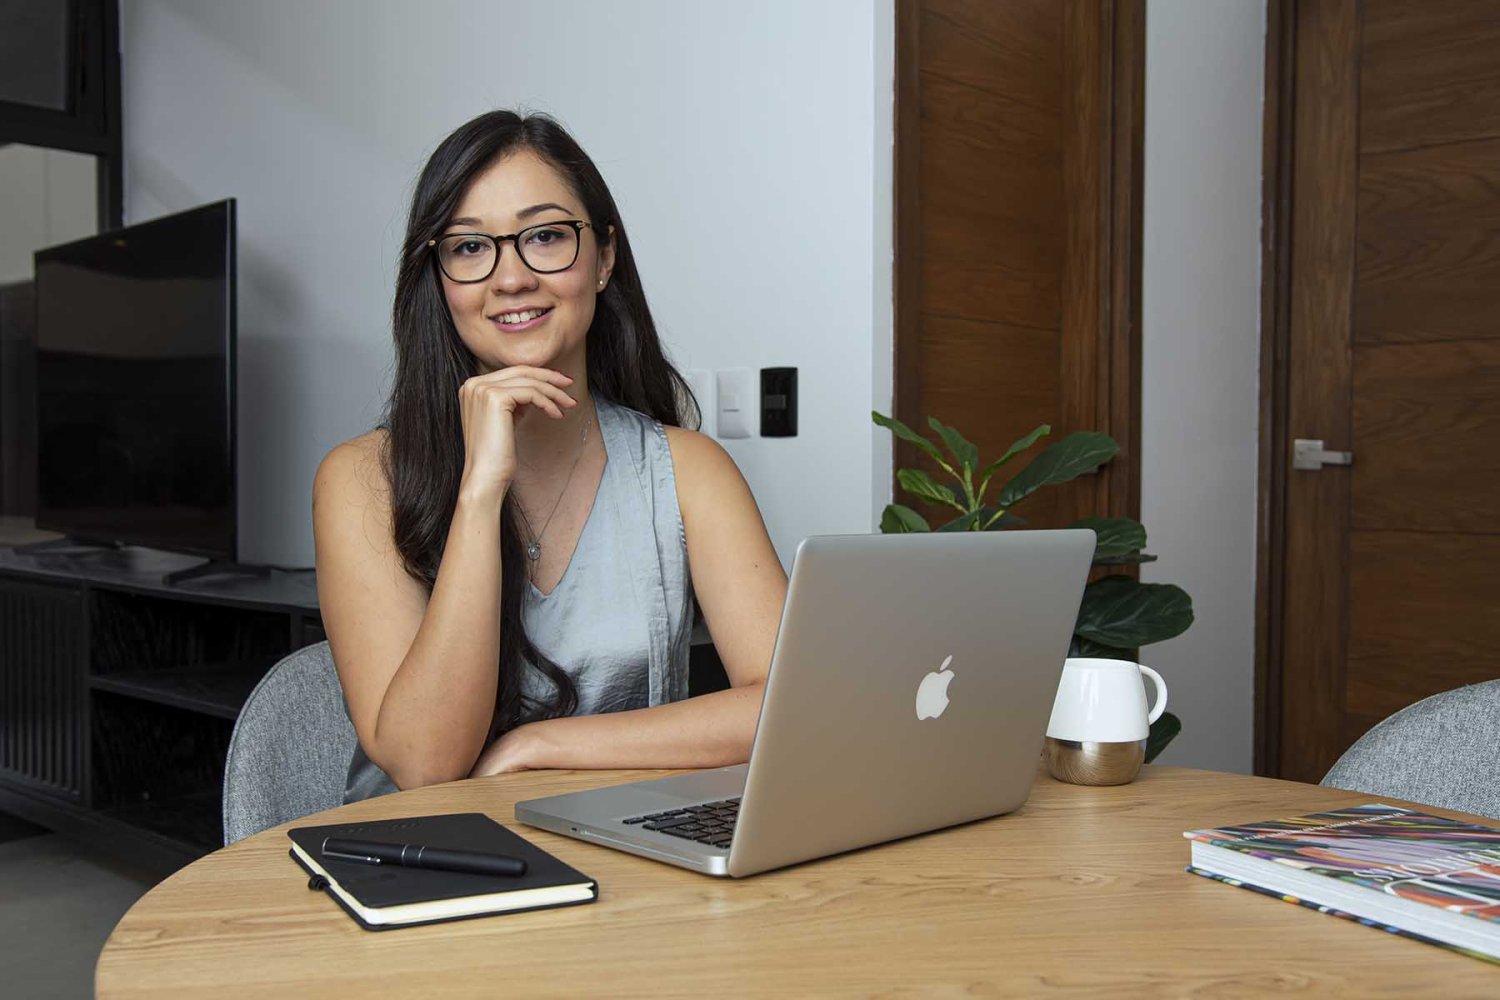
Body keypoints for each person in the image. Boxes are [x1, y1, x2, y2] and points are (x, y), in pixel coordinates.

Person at [313, 110, 788, 800]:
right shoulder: (359, 480)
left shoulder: (688, 470)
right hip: (424, 865)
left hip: (627, 853)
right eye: (471, 248)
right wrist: (480, 491)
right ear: (438, 281)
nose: (511, 278)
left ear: (603, 259)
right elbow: (424, 763)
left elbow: (784, 703)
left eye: (544, 236)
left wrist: (538, 746)